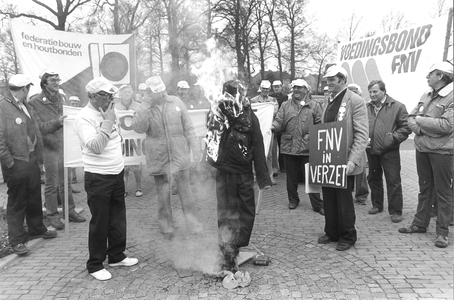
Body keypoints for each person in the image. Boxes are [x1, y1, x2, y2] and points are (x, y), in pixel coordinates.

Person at [74, 77, 138, 281]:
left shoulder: (111, 111)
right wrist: (108, 120)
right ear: (92, 96)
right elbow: (96, 146)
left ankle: (116, 255)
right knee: (100, 221)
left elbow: (115, 137)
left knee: (118, 218)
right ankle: (94, 264)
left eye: (111, 95)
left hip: (116, 172)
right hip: (98, 176)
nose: (111, 98)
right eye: (106, 95)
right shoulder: (83, 117)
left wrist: (119, 161)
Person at [205, 79, 272, 272]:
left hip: (242, 173)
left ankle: (236, 244)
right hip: (224, 172)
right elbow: (210, 141)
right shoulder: (216, 113)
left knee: (245, 211)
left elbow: (258, 146)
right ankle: (227, 249)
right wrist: (207, 168)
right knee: (225, 210)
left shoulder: (250, 116)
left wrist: (263, 178)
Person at [132, 76, 202, 237]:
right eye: (157, 91)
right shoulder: (144, 106)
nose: (162, 93)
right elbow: (139, 127)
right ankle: (166, 227)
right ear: (149, 92)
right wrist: (145, 105)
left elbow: (189, 127)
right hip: (158, 156)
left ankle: (194, 226)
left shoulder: (176, 102)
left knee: (186, 192)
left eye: (162, 89)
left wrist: (195, 148)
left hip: (179, 155)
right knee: (162, 193)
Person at [0, 74, 57, 256]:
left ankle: (36, 228)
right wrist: (9, 161)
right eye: (28, 88)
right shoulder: (2, 106)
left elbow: (36, 129)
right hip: (15, 161)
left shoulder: (25, 104)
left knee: (33, 196)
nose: (28, 91)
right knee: (17, 202)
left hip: (31, 159)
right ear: (24, 88)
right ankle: (17, 240)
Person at [399, 62, 453, 248]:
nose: (427, 77)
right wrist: (422, 130)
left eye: (431, 74)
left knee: (443, 193)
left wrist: (421, 121)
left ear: (441, 76)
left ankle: (442, 233)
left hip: (442, 152)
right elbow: (410, 118)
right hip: (423, 148)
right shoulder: (426, 95)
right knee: (424, 188)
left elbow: (446, 126)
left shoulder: (452, 96)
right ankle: (419, 224)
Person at [317, 65, 368, 251]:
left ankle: (347, 235)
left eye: (332, 79)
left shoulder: (355, 101)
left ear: (342, 80)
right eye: (327, 79)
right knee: (329, 196)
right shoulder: (328, 100)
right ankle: (332, 231)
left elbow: (362, 135)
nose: (328, 82)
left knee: (344, 199)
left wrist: (352, 160)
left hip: (345, 159)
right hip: (328, 158)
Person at [29, 70, 85, 230]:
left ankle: (70, 211)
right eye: (53, 80)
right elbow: (39, 128)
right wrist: (57, 122)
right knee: (51, 183)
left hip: (63, 146)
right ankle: (52, 214)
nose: (56, 82)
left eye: (57, 79)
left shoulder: (61, 98)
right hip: (48, 148)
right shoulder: (35, 102)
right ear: (44, 83)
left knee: (65, 181)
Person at [271, 79, 324, 214]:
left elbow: (320, 124)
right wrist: (273, 126)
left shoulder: (314, 105)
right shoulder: (285, 105)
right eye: (294, 88)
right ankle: (293, 200)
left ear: (306, 90)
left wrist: (311, 135)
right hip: (289, 147)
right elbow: (279, 120)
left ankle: (317, 204)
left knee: (312, 178)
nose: (296, 90)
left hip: (308, 148)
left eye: (300, 88)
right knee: (291, 177)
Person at [365, 80, 411, 223]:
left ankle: (396, 211)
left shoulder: (397, 107)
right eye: (370, 92)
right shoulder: (366, 107)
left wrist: (393, 139)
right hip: (371, 149)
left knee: (393, 180)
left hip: (389, 151)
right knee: (373, 178)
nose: (372, 94)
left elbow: (406, 127)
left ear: (383, 91)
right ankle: (377, 205)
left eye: (375, 91)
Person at [115, 84, 143, 197]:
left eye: (129, 92)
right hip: (122, 140)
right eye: (124, 92)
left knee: (137, 165)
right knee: (124, 166)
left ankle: (139, 187)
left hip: (136, 139)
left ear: (132, 93)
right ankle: (124, 189)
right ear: (120, 95)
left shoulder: (138, 106)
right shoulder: (115, 107)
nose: (127, 94)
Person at [251, 80, 278, 184]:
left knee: (269, 154)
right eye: (263, 88)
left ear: (269, 89)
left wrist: (269, 107)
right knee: (255, 152)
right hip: (256, 129)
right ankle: (254, 175)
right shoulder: (253, 101)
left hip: (268, 129)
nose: (265, 90)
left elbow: (276, 113)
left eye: (267, 89)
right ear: (260, 89)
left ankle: (269, 176)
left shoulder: (273, 101)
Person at [347, 83, 369, 205]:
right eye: (351, 91)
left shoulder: (363, 105)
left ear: (360, 93)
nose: (353, 93)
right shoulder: (345, 106)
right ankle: (348, 192)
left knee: (361, 170)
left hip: (361, 142)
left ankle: (362, 195)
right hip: (348, 142)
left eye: (355, 91)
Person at [271, 80, 288, 172]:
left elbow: (283, 109)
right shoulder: (270, 96)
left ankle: (283, 166)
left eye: (278, 86)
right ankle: (274, 167)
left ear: (281, 87)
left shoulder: (284, 97)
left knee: (281, 146)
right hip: (272, 123)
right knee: (272, 148)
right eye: (275, 87)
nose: (276, 88)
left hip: (280, 124)